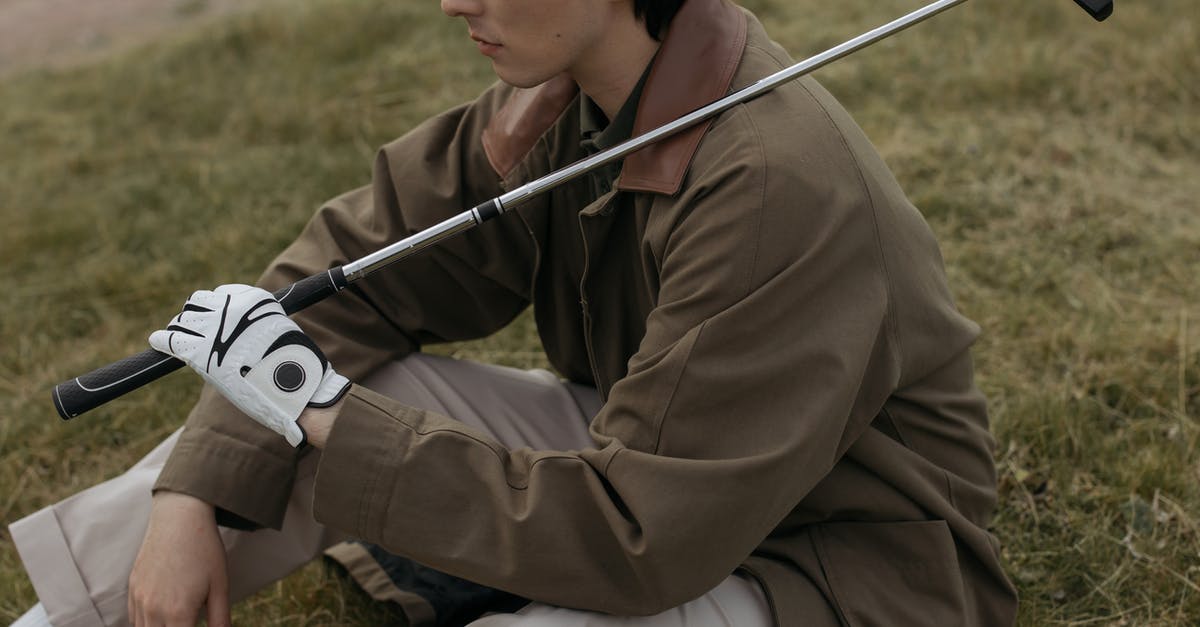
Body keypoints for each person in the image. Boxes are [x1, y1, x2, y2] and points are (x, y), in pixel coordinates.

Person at [9, 0, 1020, 625]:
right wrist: (196, 498)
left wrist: (305, 398)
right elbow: (352, 275)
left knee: (340, 413)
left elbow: (638, 538)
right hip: (658, 468)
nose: (455, 2)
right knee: (364, 390)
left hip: (835, 556)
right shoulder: (563, 97)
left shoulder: (772, 186)